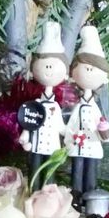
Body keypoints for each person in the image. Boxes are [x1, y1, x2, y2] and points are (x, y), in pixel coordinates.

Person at [19, 21, 68, 191]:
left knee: (49, 174)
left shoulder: (56, 106)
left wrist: (71, 136)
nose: (48, 67)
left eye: (53, 64)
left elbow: (61, 127)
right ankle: (33, 195)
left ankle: (48, 199)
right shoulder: (34, 104)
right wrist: (25, 137)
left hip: (53, 146)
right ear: (33, 70)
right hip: (36, 145)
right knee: (34, 171)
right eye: (44, 63)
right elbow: (29, 122)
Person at [65, 26, 109, 196]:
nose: (89, 71)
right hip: (78, 145)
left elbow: (102, 126)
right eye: (86, 67)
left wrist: (104, 132)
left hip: (92, 144)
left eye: (93, 67)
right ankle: (76, 197)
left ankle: (90, 197)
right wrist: (70, 138)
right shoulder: (78, 106)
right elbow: (71, 124)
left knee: (91, 171)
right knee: (76, 170)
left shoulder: (94, 108)